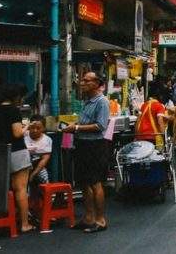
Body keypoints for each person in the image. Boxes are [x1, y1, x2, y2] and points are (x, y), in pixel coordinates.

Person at [62, 71, 110, 233]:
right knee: (83, 181)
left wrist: (75, 127)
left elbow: (100, 125)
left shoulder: (102, 102)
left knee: (95, 182)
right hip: (82, 143)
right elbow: (85, 121)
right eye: (82, 80)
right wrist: (74, 126)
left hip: (95, 146)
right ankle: (89, 217)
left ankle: (100, 219)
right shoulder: (87, 101)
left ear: (96, 83)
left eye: (86, 81)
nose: (82, 83)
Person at [0, 84, 35, 233]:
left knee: (0, 187)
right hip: (16, 152)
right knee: (20, 189)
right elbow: (17, 134)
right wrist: (26, 127)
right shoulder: (13, 111)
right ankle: (24, 224)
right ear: (16, 97)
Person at [25, 115, 52, 187]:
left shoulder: (47, 140)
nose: (35, 130)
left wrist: (33, 174)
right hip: (24, 166)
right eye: (33, 128)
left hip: (38, 166)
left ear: (43, 129)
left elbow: (45, 159)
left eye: (38, 128)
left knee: (44, 179)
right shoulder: (24, 135)